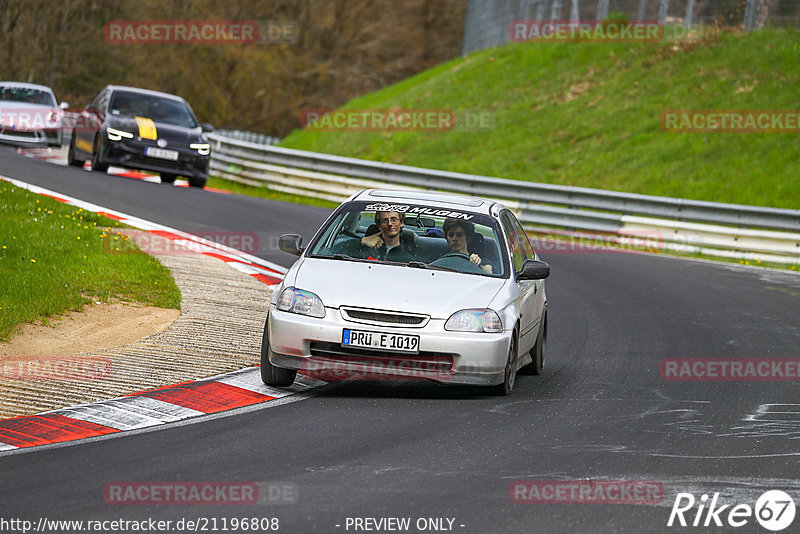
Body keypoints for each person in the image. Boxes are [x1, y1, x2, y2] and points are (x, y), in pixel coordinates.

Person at [352, 210, 416, 261]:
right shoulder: (366, 248)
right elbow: (342, 250)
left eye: (394, 220)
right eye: (385, 221)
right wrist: (361, 241)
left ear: (401, 223)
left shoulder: (410, 256)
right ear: (379, 226)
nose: (390, 224)